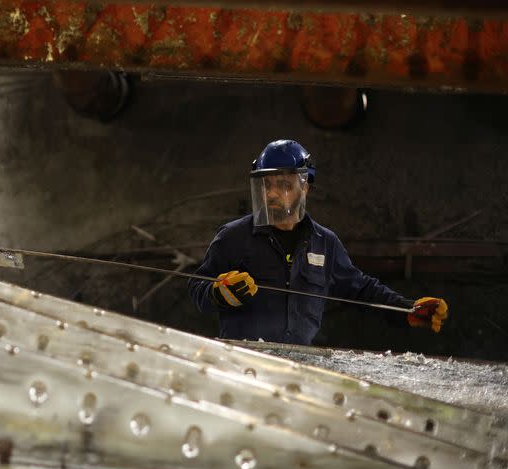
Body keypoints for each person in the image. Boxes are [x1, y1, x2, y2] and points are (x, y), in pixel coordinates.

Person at [187, 139, 448, 345]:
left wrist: (406, 309)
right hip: (244, 364)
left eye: (284, 185)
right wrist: (217, 292)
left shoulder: (325, 243)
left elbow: (362, 290)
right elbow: (197, 286)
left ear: (305, 187)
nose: (272, 194)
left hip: (300, 367)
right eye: (267, 185)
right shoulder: (233, 237)